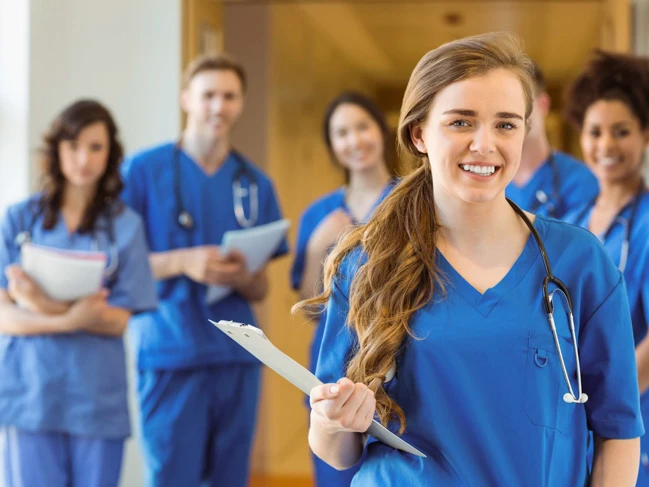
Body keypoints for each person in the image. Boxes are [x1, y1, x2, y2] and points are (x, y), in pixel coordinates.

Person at [294, 32, 643, 486]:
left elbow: (618, 429)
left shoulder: (578, 263)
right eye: (461, 122)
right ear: (419, 134)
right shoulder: (369, 262)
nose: (485, 144)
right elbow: (336, 452)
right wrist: (334, 420)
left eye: (506, 124)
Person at [121, 53, 289, 487]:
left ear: (241, 103)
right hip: (170, 351)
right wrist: (183, 261)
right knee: (172, 477)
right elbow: (116, 264)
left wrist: (242, 276)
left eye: (229, 96)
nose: (219, 106)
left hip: (237, 354)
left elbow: (261, 288)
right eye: (208, 95)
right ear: (186, 99)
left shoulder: (254, 182)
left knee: (231, 479)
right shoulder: (143, 170)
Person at [0, 100, 157, 487]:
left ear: (111, 153)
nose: (83, 158)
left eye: (95, 146)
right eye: (72, 145)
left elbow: (117, 321)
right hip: (30, 393)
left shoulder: (126, 226)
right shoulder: (19, 220)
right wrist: (73, 317)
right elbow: (4, 317)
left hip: (95, 398)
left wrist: (39, 304)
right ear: (56, 150)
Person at [291, 92, 396, 486]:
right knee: (335, 468)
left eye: (362, 127)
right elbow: (307, 307)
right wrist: (320, 245)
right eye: (341, 133)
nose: (354, 140)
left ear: (381, 131)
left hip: (398, 362)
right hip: (334, 360)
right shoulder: (319, 215)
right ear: (332, 146)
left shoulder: (413, 201)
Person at [563, 50, 649, 484]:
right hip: (574, 418)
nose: (606, 146)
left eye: (622, 132)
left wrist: (604, 396)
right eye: (595, 132)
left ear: (645, 135)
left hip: (633, 418)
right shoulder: (572, 223)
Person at [506, 62, 598, 219]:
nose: (509, 114)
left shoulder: (580, 181)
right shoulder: (487, 182)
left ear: (543, 104)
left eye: (520, 102)